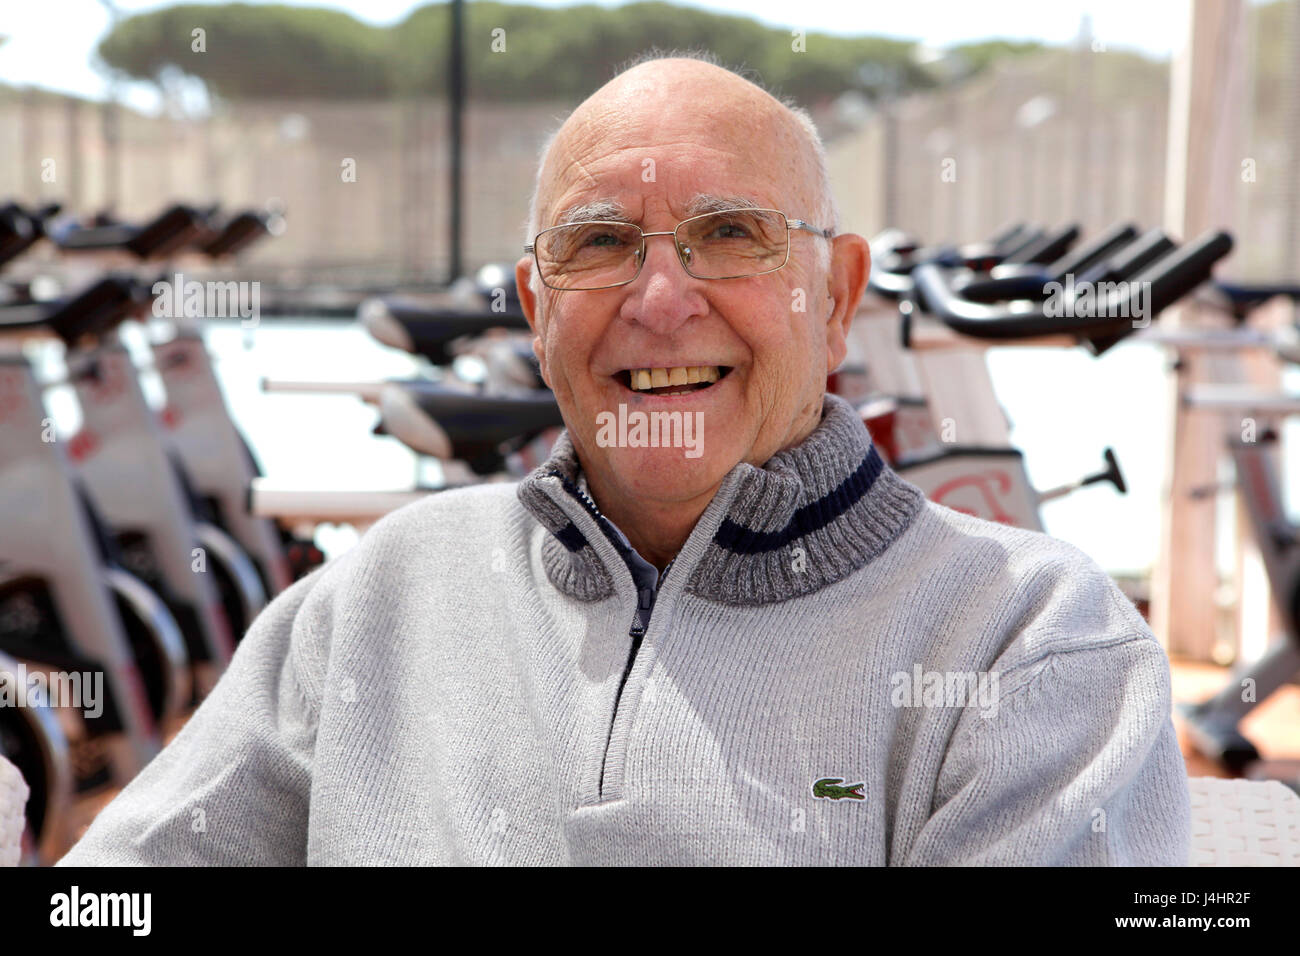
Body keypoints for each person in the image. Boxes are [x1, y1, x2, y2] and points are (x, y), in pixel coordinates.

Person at [59, 54, 1189, 866]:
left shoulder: (1030, 642)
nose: (660, 300)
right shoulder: (376, 599)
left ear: (836, 298)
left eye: (731, 233)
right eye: (599, 243)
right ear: (536, 311)